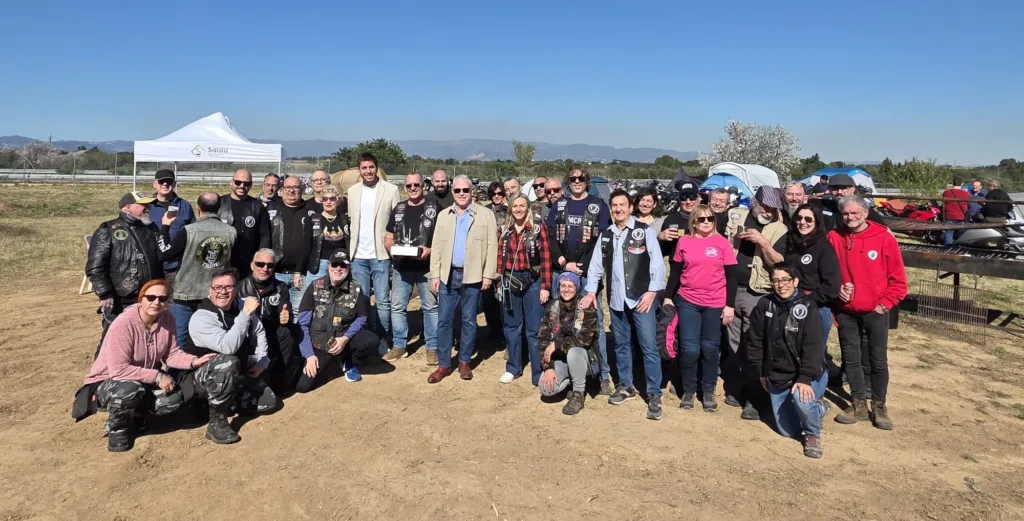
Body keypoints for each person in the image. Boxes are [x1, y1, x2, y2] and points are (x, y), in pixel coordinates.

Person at [72, 279, 218, 452]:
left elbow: (171, 355)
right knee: (128, 390)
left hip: (142, 380)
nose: (156, 302)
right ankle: (118, 429)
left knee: (173, 399)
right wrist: (157, 376)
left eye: (162, 299)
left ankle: (137, 415)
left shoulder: (167, 319)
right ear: (141, 299)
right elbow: (119, 369)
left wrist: (193, 361)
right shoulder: (123, 323)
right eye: (151, 297)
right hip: (109, 381)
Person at [582, 189, 666, 420]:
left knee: (648, 346)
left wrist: (652, 293)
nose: (618, 209)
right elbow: (596, 266)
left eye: (622, 205)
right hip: (617, 300)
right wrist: (590, 291)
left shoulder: (644, 231)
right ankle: (626, 386)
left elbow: (657, 265)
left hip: (642, 299)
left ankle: (654, 393)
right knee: (621, 345)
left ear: (631, 207)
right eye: (615, 206)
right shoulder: (606, 234)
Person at [829, 196, 907, 430]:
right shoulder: (834, 237)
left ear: (865, 213)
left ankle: (880, 406)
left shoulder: (883, 237)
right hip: (846, 310)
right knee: (851, 359)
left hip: (875, 310)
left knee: (877, 360)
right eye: (845, 214)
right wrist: (837, 291)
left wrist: (883, 305)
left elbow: (898, 279)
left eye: (855, 213)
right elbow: (829, 271)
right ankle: (858, 403)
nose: (850, 218)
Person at [747, 263, 829, 458]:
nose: (781, 285)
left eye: (785, 280)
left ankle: (812, 433)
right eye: (776, 280)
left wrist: (805, 378)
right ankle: (812, 410)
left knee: (802, 400)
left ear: (795, 282)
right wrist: (761, 373)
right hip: (777, 374)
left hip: (807, 372)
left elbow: (813, 347)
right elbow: (755, 341)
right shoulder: (764, 304)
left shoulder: (808, 306)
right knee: (787, 430)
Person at [663, 205, 737, 412]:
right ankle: (689, 390)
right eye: (702, 219)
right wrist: (668, 297)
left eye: (710, 219)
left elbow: (731, 277)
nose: (706, 222)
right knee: (689, 349)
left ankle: (708, 390)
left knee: (710, 349)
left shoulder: (722, 243)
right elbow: (676, 272)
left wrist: (729, 305)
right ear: (693, 221)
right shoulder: (684, 242)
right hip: (688, 301)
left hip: (714, 302)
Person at [546, 164, 612, 393]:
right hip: (562, 271)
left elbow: (602, 240)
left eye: (580, 177)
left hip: (588, 275)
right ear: (567, 181)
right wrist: (564, 262)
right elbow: (551, 238)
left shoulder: (599, 205)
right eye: (572, 178)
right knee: (560, 323)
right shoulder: (559, 205)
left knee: (596, 325)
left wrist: (583, 266)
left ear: (587, 180)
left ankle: (603, 374)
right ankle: (561, 368)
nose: (576, 181)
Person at [724, 186, 787, 421]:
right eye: (765, 206)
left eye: (773, 208)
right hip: (732, 288)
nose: (768, 212)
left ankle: (754, 397)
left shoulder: (778, 228)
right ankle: (740, 386)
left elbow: (779, 262)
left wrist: (763, 242)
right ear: (754, 202)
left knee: (754, 344)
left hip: (758, 292)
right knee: (734, 342)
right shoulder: (735, 216)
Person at [427, 175, 498, 383]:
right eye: (457, 190)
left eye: (465, 190)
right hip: (448, 275)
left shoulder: (485, 215)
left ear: (471, 192)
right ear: (452, 192)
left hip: (473, 276)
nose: (461, 194)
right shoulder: (443, 215)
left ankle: (464, 361)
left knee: (469, 320)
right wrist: (435, 274)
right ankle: (443, 364)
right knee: (444, 321)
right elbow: (437, 246)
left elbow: (492, 246)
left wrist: (488, 274)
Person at [186, 269, 277, 416]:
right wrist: (245, 314)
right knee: (229, 360)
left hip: (237, 371)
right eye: (217, 287)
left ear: (236, 290)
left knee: (269, 402)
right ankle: (211, 408)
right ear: (210, 290)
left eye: (228, 287)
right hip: (205, 377)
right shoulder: (201, 317)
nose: (223, 291)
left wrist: (262, 360)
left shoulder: (241, 305)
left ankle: (232, 400)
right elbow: (227, 347)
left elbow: (259, 331)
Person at [86, 191, 164, 355]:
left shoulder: (151, 228)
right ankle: (100, 377)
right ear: (128, 207)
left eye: (148, 204)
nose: (147, 208)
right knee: (112, 340)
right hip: (121, 298)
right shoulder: (107, 229)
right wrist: (105, 292)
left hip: (148, 297)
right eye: (143, 204)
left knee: (146, 340)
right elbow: (95, 266)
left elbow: (162, 257)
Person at [772, 203, 842, 381]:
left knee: (812, 356)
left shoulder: (823, 247)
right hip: (788, 304)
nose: (802, 222)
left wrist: (809, 299)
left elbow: (832, 286)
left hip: (814, 308)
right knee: (789, 352)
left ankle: (813, 400)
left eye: (808, 219)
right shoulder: (790, 241)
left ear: (817, 222)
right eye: (799, 218)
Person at [157, 192, 237, 348]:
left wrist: (165, 227)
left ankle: (176, 371)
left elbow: (163, 254)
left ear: (198, 208)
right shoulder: (231, 232)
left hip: (187, 294)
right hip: (216, 294)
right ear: (219, 209)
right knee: (213, 339)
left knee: (179, 341)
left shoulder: (188, 230)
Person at [295, 250, 381, 392]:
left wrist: (345, 339)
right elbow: (302, 324)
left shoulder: (356, 290)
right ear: (328, 266)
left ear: (349, 268)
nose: (338, 268)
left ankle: (347, 361)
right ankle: (327, 362)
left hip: (343, 342)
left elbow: (362, 318)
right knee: (303, 387)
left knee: (370, 340)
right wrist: (309, 356)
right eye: (335, 264)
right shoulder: (315, 287)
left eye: (343, 265)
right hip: (319, 345)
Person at [346, 152, 400, 352]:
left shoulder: (391, 190)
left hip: (381, 256)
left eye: (371, 167)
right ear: (359, 170)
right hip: (358, 255)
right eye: (364, 168)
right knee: (362, 300)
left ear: (377, 168)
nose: (368, 171)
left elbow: (397, 221)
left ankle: (385, 337)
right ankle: (368, 336)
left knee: (383, 300)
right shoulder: (352, 191)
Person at [383, 173, 440, 362]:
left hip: (427, 267)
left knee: (430, 307)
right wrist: (392, 249)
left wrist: (430, 250)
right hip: (402, 267)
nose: (413, 188)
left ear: (423, 186)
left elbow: (443, 238)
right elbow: (389, 236)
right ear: (404, 188)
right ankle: (399, 345)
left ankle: (432, 347)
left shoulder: (434, 208)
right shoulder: (398, 209)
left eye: (417, 184)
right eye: (409, 186)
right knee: (397, 306)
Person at [497, 195, 552, 385]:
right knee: (511, 326)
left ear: (528, 208)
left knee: (534, 329)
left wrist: (545, 286)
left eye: (522, 206)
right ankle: (513, 367)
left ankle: (538, 373)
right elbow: (500, 260)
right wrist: (499, 283)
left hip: (533, 280)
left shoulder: (538, 229)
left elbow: (545, 259)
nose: (518, 209)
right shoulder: (505, 231)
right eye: (515, 206)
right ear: (510, 208)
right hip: (509, 281)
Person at [237, 249, 303, 392]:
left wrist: (287, 316)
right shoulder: (239, 288)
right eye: (260, 264)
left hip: (272, 335)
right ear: (251, 265)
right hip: (248, 338)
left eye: (270, 265)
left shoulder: (281, 287)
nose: (265, 269)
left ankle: (280, 374)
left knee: (289, 330)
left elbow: (285, 308)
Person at [537, 272, 599, 415]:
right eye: (563, 285)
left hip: (584, 358)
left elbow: (584, 339)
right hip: (561, 359)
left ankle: (578, 393)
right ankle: (571, 381)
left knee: (573, 351)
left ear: (576, 288)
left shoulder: (586, 306)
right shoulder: (552, 306)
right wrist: (548, 367)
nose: (566, 289)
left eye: (570, 286)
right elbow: (543, 339)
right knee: (546, 389)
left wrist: (558, 344)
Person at [269, 175, 314, 320]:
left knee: (298, 314)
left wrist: (299, 270)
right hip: (276, 273)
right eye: (288, 187)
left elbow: (310, 243)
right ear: (282, 190)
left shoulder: (310, 211)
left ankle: (296, 342)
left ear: (301, 189)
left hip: (300, 274)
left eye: (295, 187)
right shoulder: (272, 210)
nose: (291, 191)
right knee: (274, 312)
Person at [218, 168, 271, 278]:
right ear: (231, 182)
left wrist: (260, 261)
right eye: (238, 182)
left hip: (248, 265)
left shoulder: (258, 206)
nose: (242, 186)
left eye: (246, 183)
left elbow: (264, 236)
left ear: (251, 185)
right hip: (223, 262)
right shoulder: (219, 203)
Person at [147, 169, 195, 284]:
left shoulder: (184, 205)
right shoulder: (147, 206)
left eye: (169, 181)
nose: (165, 184)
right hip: (153, 264)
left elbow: (192, 231)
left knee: (174, 299)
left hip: (177, 266)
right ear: (155, 184)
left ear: (174, 184)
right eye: (161, 181)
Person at [481, 180, 509, 345]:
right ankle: (493, 328)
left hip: (505, 258)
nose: (497, 196)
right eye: (493, 193)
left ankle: (505, 329)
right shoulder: (484, 211)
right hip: (486, 257)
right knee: (488, 297)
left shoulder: (509, 211)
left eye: (500, 193)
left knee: (504, 296)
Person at [306, 185, 349, 284]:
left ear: (338, 201)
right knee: (314, 296)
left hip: (339, 265)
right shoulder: (313, 219)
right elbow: (305, 245)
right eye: (325, 199)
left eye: (332, 199)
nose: (328, 202)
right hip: (318, 265)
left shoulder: (345, 220)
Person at [821, 174, 886, 230]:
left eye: (843, 188)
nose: (839, 192)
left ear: (852, 189)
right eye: (835, 188)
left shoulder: (862, 208)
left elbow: (885, 230)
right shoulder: (823, 206)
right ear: (829, 189)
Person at [657, 177, 702, 257]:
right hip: (678, 267)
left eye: (692, 197)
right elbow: (662, 251)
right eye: (683, 198)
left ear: (698, 198)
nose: (688, 202)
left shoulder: (708, 218)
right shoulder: (671, 219)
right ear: (678, 200)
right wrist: (660, 238)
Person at [940, 177, 970, 246]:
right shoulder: (966, 194)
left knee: (949, 233)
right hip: (961, 216)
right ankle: (959, 248)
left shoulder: (946, 192)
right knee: (961, 234)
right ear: (961, 184)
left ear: (953, 183)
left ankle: (948, 248)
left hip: (949, 215)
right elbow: (967, 203)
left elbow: (944, 202)